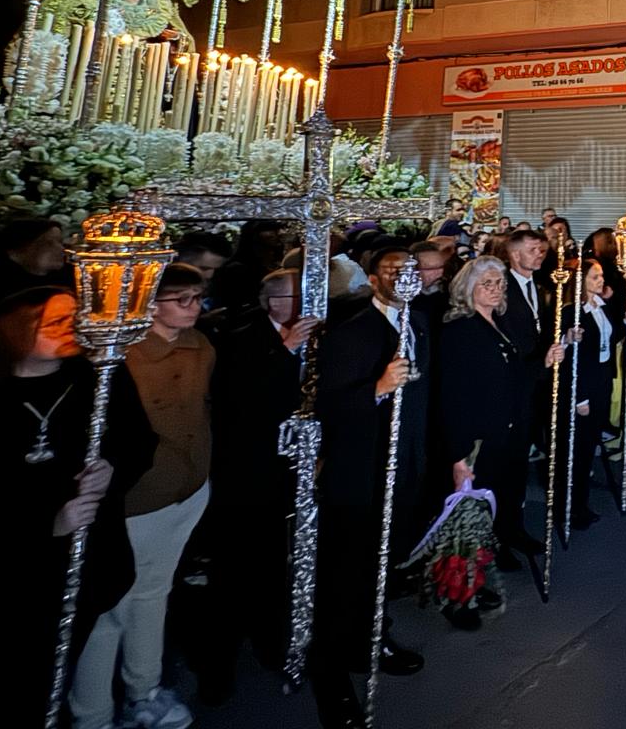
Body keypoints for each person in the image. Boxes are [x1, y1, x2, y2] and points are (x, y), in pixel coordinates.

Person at [0, 288, 155, 727]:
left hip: (88, 558)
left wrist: (113, 468)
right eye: (55, 324)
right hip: (9, 573)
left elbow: (139, 441)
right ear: (14, 330)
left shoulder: (99, 376)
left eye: (76, 320)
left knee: (61, 662)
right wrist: (49, 522)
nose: (72, 331)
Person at [71, 265, 215, 729]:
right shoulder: (120, 355)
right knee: (111, 604)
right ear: (150, 305)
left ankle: (144, 689)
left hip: (188, 487)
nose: (195, 307)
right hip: (138, 495)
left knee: (154, 590)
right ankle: (91, 712)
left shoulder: (201, 347)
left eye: (198, 297)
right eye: (183, 299)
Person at [310, 247, 428, 728]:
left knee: (381, 567)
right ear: (374, 279)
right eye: (394, 272)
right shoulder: (352, 332)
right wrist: (377, 388)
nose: (405, 279)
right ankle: (331, 676)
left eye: (412, 272)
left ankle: (370, 637)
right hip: (359, 475)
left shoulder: (418, 324)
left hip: (402, 469)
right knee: (345, 576)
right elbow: (328, 407)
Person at [196, 268, 314, 703]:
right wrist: (285, 350)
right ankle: (217, 663)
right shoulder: (241, 338)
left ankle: (271, 641)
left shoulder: (317, 336)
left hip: (289, 469)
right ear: (273, 302)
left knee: (274, 567)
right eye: (296, 295)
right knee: (232, 572)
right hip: (245, 471)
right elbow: (240, 400)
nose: (305, 303)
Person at [435, 258, 565, 627]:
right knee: (465, 520)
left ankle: (473, 582)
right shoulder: (460, 330)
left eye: (499, 283)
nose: (495, 289)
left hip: (502, 435)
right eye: (487, 283)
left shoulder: (498, 323)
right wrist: (459, 456)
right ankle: (457, 597)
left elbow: (513, 377)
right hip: (474, 440)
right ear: (467, 287)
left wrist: (544, 362)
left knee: (485, 518)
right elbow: (453, 397)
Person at [492, 229, 551, 565]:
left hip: (532, 388)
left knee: (517, 468)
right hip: (512, 389)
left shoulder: (538, 288)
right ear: (515, 255)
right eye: (533, 250)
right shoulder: (502, 290)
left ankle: (514, 528)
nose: (540, 254)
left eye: (541, 249)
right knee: (504, 467)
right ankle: (498, 537)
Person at [558, 259, 619, 529]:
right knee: (575, 451)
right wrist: (579, 396)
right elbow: (573, 358)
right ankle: (569, 507)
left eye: (601, 276)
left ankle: (581, 503)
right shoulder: (572, 312)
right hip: (583, 387)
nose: (600, 281)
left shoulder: (601, 307)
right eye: (595, 277)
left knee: (587, 448)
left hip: (601, 383)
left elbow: (609, 338)